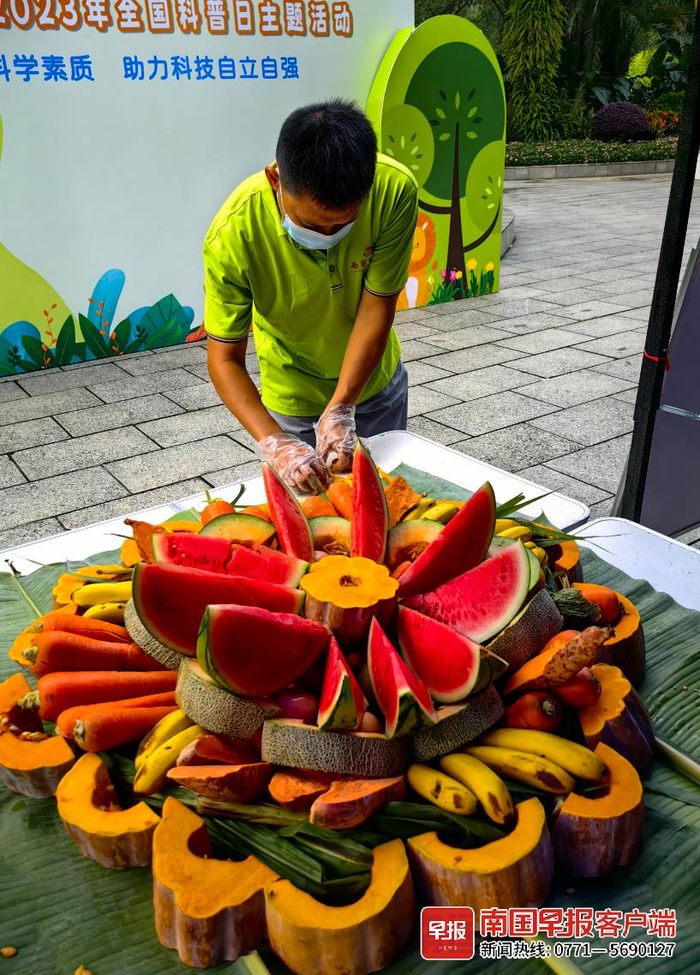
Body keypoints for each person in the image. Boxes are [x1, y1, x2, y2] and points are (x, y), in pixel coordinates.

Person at [203, 99, 419, 494]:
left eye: (344, 224)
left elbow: (376, 308)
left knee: (386, 501)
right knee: (309, 517)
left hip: (375, 385)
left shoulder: (393, 190)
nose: (326, 236)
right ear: (275, 180)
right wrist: (275, 443)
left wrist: (341, 405)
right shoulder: (233, 234)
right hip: (291, 392)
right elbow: (223, 358)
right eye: (310, 223)